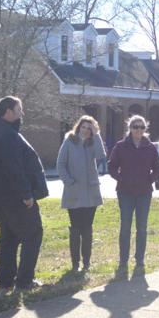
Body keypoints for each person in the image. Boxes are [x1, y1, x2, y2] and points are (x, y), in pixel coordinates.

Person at [0, 96, 48, 293]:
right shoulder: (7, 134)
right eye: (19, 110)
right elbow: (14, 168)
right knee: (33, 234)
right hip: (17, 198)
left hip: (2, 197)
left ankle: (5, 282)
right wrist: (27, 194)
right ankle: (25, 281)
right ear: (7, 112)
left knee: (8, 238)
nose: (22, 114)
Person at [108, 114, 159, 277]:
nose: (138, 130)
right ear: (129, 128)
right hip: (125, 193)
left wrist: (150, 180)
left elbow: (158, 168)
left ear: (145, 129)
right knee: (125, 227)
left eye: (141, 127)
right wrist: (120, 178)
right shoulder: (121, 146)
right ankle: (123, 261)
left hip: (144, 193)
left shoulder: (150, 147)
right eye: (135, 127)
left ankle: (140, 260)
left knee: (142, 227)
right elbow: (111, 167)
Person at [57, 115, 108, 273]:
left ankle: (86, 263)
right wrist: (69, 181)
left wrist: (97, 134)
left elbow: (101, 156)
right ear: (78, 127)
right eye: (84, 127)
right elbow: (60, 164)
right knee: (75, 229)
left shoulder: (93, 143)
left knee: (87, 228)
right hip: (74, 192)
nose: (86, 130)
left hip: (91, 193)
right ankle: (75, 264)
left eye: (89, 128)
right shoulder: (69, 141)